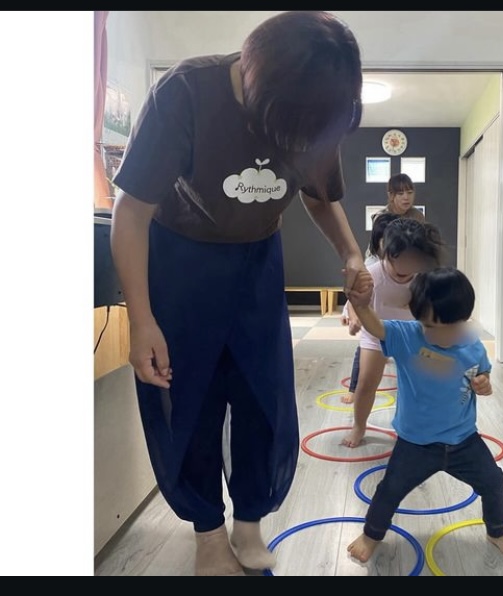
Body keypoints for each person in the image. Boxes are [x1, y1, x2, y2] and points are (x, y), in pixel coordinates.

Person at [109, 11, 367, 576]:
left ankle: (249, 522)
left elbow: (320, 196)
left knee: (263, 395)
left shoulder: (315, 108)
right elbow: (130, 213)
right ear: (261, 89)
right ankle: (208, 532)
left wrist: (351, 253)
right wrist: (142, 320)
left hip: (258, 259)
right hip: (180, 260)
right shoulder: (186, 92)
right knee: (189, 398)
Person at [345, 266, 503, 565]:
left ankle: (498, 532)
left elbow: (483, 376)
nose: (440, 335)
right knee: (389, 490)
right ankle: (371, 535)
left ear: (465, 319)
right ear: (417, 318)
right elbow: (376, 327)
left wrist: (484, 384)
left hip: (464, 440)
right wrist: (362, 306)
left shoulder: (473, 346)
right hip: (415, 443)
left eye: (450, 327)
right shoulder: (408, 336)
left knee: (494, 482)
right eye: (430, 326)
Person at [340, 218, 444, 448]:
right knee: (366, 383)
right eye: (397, 259)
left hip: (413, 334)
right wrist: (354, 317)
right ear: (386, 252)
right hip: (376, 331)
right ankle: (359, 426)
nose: (404, 268)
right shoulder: (372, 274)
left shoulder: (425, 277)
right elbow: (353, 300)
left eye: (412, 260)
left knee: (422, 383)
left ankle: (422, 425)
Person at [339, 212, 402, 404]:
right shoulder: (371, 265)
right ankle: (354, 388)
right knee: (364, 356)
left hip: (398, 324)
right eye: (386, 242)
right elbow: (354, 296)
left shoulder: (406, 264)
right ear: (377, 243)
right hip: (374, 322)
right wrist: (352, 316)